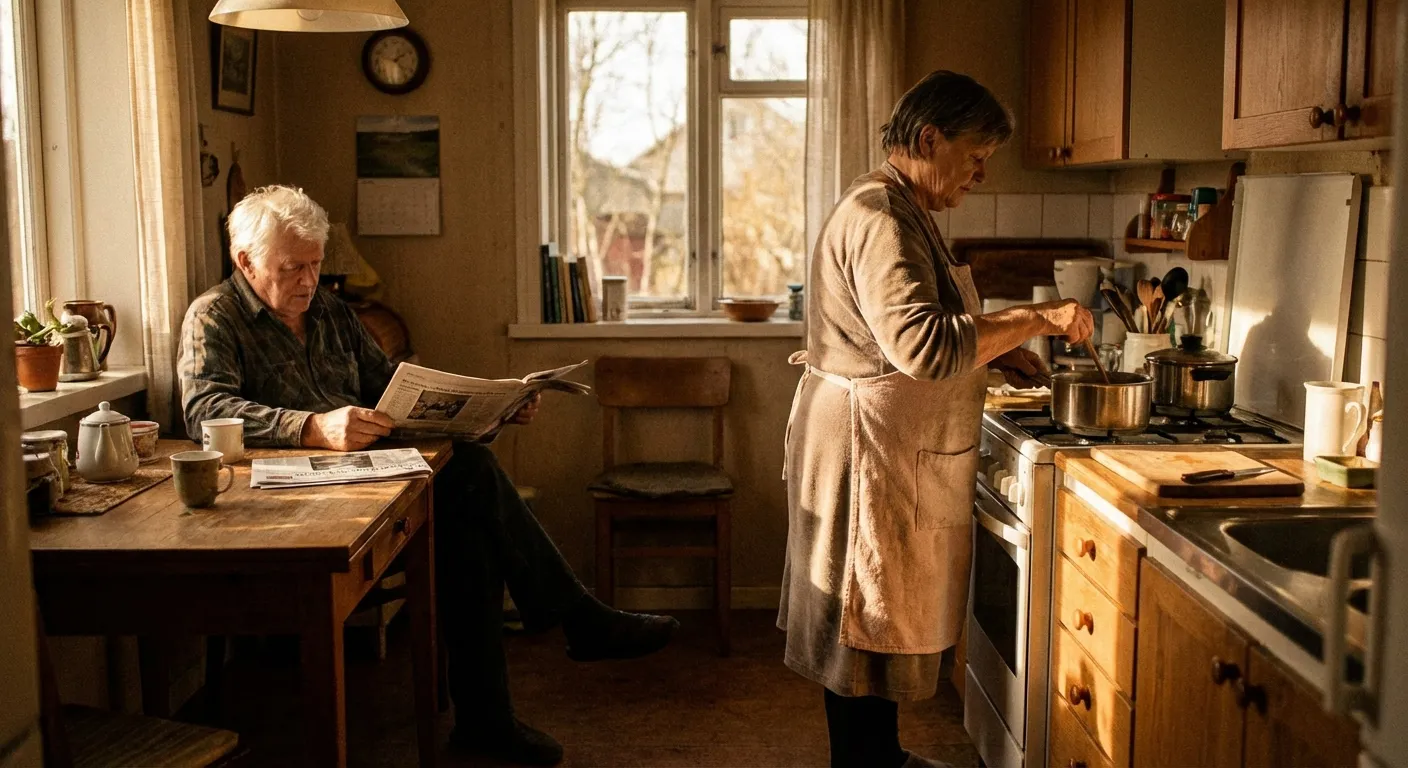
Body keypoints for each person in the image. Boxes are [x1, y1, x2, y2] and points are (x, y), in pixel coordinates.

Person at [178, 185, 679, 766]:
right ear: (245, 261)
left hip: (367, 481)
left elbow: (388, 387)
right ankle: (570, 628)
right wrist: (311, 426)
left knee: (469, 519)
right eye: (294, 268)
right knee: (471, 485)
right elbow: (204, 411)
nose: (310, 282)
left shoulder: (332, 313)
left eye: (316, 265)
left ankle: (490, 719)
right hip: (288, 504)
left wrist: (486, 408)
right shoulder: (213, 316)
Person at [777, 70, 1094, 768]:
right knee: (864, 623)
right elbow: (924, 345)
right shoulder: (883, 218)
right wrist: (1037, 318)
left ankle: (879, 757)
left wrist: (998, 354)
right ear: (929, 138)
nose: (980, 175)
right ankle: (866, 764)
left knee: (872, 623)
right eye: (975, 158)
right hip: (872, 451)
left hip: (885, 444)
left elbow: (919, 329)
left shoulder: (898, 206)